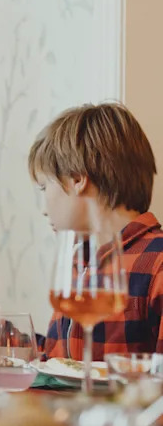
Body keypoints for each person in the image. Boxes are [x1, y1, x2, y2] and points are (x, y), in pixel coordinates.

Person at [28, 102, 163, 360]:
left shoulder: (158, 263)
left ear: (78, 180)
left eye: (44, 188)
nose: (43, 209)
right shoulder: (79, 260)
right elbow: (65, 363)